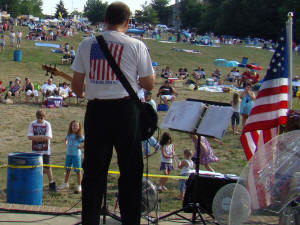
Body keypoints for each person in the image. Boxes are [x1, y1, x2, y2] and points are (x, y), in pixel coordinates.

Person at [71, 2, 155, 225]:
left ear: (104, 20)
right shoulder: (136, 45)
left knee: (93, 173)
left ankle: (90, 221)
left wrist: (95, 87)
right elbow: (149, 83)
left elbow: (77, 87)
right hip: (126, 112)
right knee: (130, 171)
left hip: (97, 111)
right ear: (127, 22)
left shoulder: (87, 44)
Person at [27, 109, 56, 192]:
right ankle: (34, 183)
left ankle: (51, 183)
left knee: (47, 166)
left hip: (45, 150)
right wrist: (41, 138)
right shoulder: (32, 124)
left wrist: (36, 138)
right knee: (35, 166)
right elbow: (29, 136)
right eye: (38, 118)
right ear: (36, 117)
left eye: (41, 118)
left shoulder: (47, 124)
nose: (40, 119)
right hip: (35, 150)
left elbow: (48, 137)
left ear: (44, 117)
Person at [58, 120, 84, 194]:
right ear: (71, 126)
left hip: (76, 156)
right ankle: (65, 183)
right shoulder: (69, 134)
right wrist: (66, 143)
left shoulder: (80, 136)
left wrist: (81, 146)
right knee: (67, 169)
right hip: (68, 155)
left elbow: (86, 142)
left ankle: (79, 185)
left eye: (77, 126)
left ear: (79, 127)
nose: (75, 127)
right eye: (73, 125)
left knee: (78, 171)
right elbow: (66, 139)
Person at [143, 91, 160, 156]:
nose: (145, 97)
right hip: (147, 122)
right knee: (146, 136)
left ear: (150, 96)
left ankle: (155, 147)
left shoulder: (151, 103)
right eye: (145, 95)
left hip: (150, 122)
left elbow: (151, 114)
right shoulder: (147, 102)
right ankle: (147, 151)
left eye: (147, 96)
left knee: (146, 136)